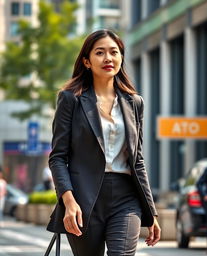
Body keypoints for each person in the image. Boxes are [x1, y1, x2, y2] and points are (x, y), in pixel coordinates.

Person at [47, 29, 161, 256]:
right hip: (83, 200)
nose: (108, 58)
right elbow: (58, 157)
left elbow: (137, 161)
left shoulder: (134, 103)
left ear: (121, 58)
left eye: (114, 52)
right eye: (100, 53)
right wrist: (69, 202)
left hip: (126, 198)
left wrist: (152, 214)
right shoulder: (71, 99)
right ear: (87, 61)